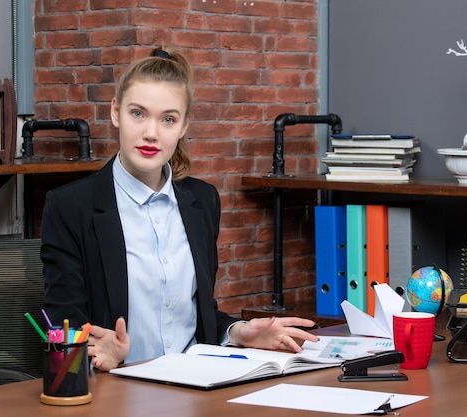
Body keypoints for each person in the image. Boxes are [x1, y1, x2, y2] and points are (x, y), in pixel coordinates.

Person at [41, 45, 318, 372]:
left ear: (184, 126)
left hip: (196, 388)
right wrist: (100, 359)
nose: (151, 133)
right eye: (138, 113)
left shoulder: (201, 201)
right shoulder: (71, 206)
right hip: (116, 393)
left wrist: (237, 332)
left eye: (168, 119)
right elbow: (62, 329)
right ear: (116, 112)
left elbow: (195, 318)